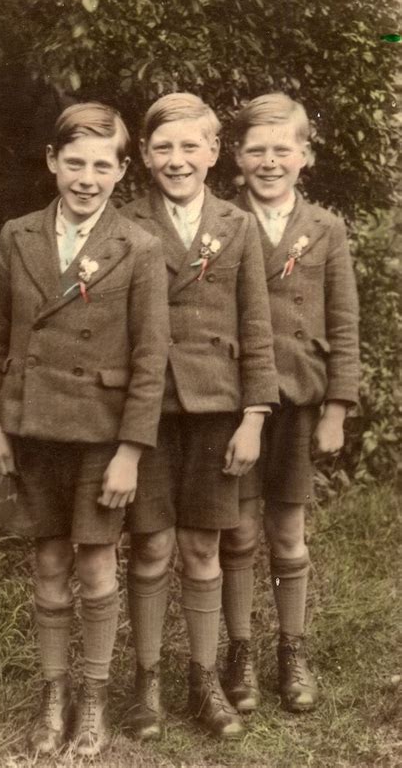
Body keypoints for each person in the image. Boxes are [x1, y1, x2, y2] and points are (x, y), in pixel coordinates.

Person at [0, 102, 170, 757]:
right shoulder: (17, 235)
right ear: (52, 161)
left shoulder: (138, 246)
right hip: (32, 429)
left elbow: (150, 357)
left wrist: (132, 451)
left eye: (101, 165)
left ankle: (94, 697)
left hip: (101, 436)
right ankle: (54, 694)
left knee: (95, 562)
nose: (86, 177)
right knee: (48, 559)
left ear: (120, 171)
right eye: (74, 162)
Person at [120, 92, 279, 740]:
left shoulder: (236, 226)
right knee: (152, 545)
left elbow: (258, 327)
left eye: (191, 146)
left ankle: (203, 675)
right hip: (148, 411)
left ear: (215, 153)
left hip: (216, 411)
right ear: (144, 155)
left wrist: (255, 415)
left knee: (203, 546)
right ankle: (147, 680)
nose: (178, 160)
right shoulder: (124, 224)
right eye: (164, 147)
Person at [220, 92, 359, 714]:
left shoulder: (326, 228)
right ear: (237, 156)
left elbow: (346, 322)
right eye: (257, 150)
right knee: (240, 531)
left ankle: (292, 648)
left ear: (305, 156)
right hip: (236, 398)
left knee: (289, 532)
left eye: (283, 150)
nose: (270, 162)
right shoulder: (220, 222)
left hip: (300, 398)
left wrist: (337, 406)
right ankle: (241, 651)